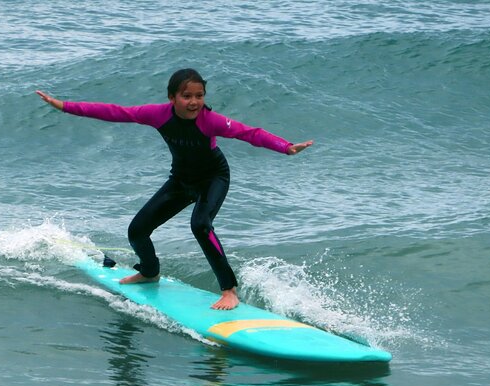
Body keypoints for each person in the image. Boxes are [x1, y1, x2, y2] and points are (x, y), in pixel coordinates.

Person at [36, 68, 312, 310]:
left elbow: (248, 133)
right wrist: (65, 106)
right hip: (181, 180)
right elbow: (115, 112)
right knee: (137, 230)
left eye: (199, 95)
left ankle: (229, 290)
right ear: (172, 98)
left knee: (201, 225)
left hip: (213, 177)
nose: (194, 102)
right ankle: (149, 272)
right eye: (187, 96)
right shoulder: (157, 115)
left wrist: (285, 147)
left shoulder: (211, 121)